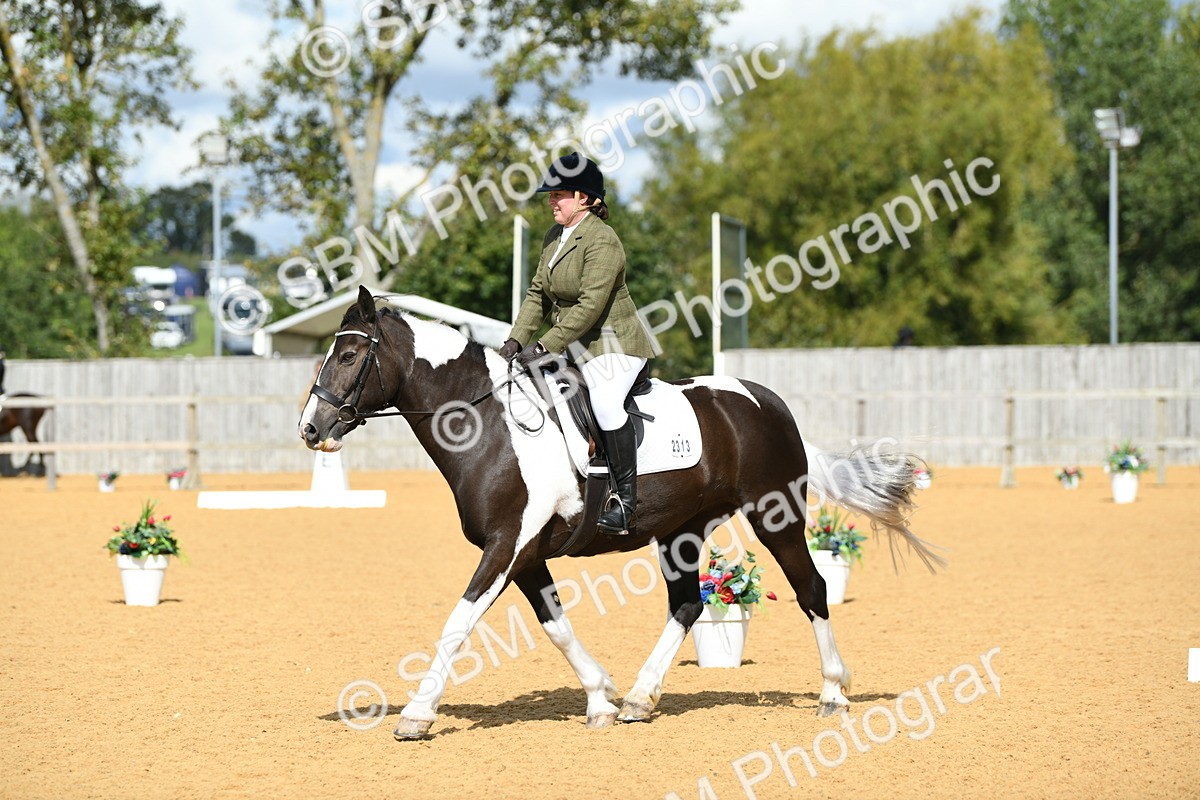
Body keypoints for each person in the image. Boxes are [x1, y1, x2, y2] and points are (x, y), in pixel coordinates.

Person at [499, 153, 656, 534]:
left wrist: (545, 345)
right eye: (550, 195)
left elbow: (589, 307)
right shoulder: (554, 237)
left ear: (584, 198)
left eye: (559, 194)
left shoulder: (604, 242)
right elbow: (537, 295)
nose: (551, 201)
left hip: (614, 345)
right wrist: (514, 341)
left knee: (604, 402)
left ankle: (625, 500)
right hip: (574, 345)